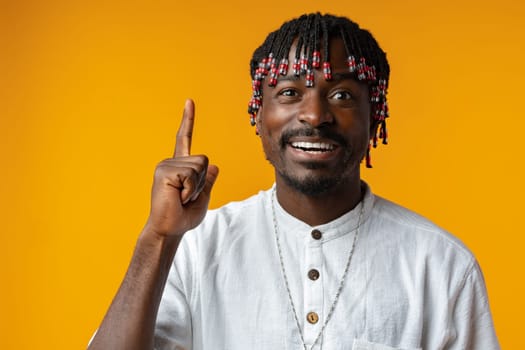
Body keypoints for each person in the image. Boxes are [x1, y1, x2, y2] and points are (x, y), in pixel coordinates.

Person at [88, 13, 499, 350]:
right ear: (259, 114)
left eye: (341, 95)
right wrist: (158, 238)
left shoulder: (442, 265)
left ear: (375, 116)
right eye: (288, 92)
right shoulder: (195, 250)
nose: (315, 115)